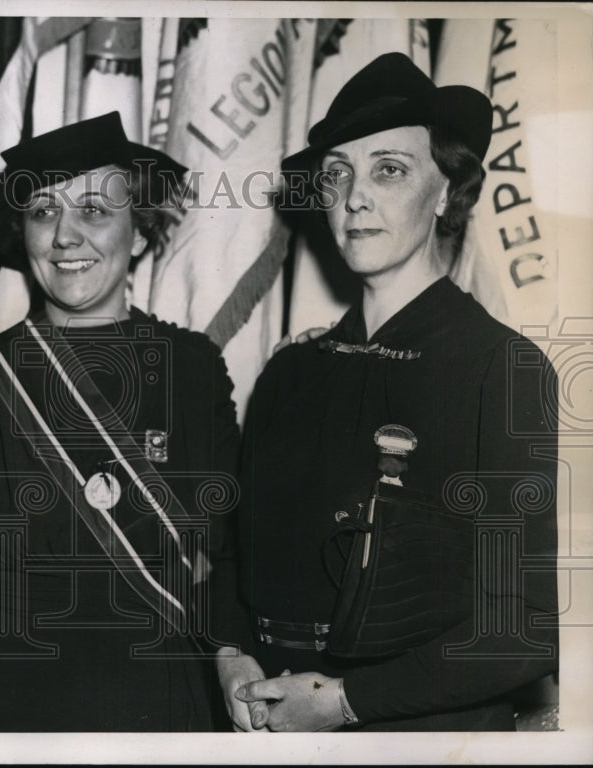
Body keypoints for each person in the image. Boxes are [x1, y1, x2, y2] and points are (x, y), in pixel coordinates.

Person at [221, 52, 559, 732]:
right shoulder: (289, 375)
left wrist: (346, 703)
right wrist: (232, 657)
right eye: (337, 174)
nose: (354, 197)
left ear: (445, 194)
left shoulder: (500, 367)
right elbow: (233, 559)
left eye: (390, 170)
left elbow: (521, 623)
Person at [0, 112, 241, 732]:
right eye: (42, 211)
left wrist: (233, 660)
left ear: (138, 231)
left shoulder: (192, 371)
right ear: (22, 232)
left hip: (163, 707)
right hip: (8, 711)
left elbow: (222, 562)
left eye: (93, 211)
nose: (64, 236)